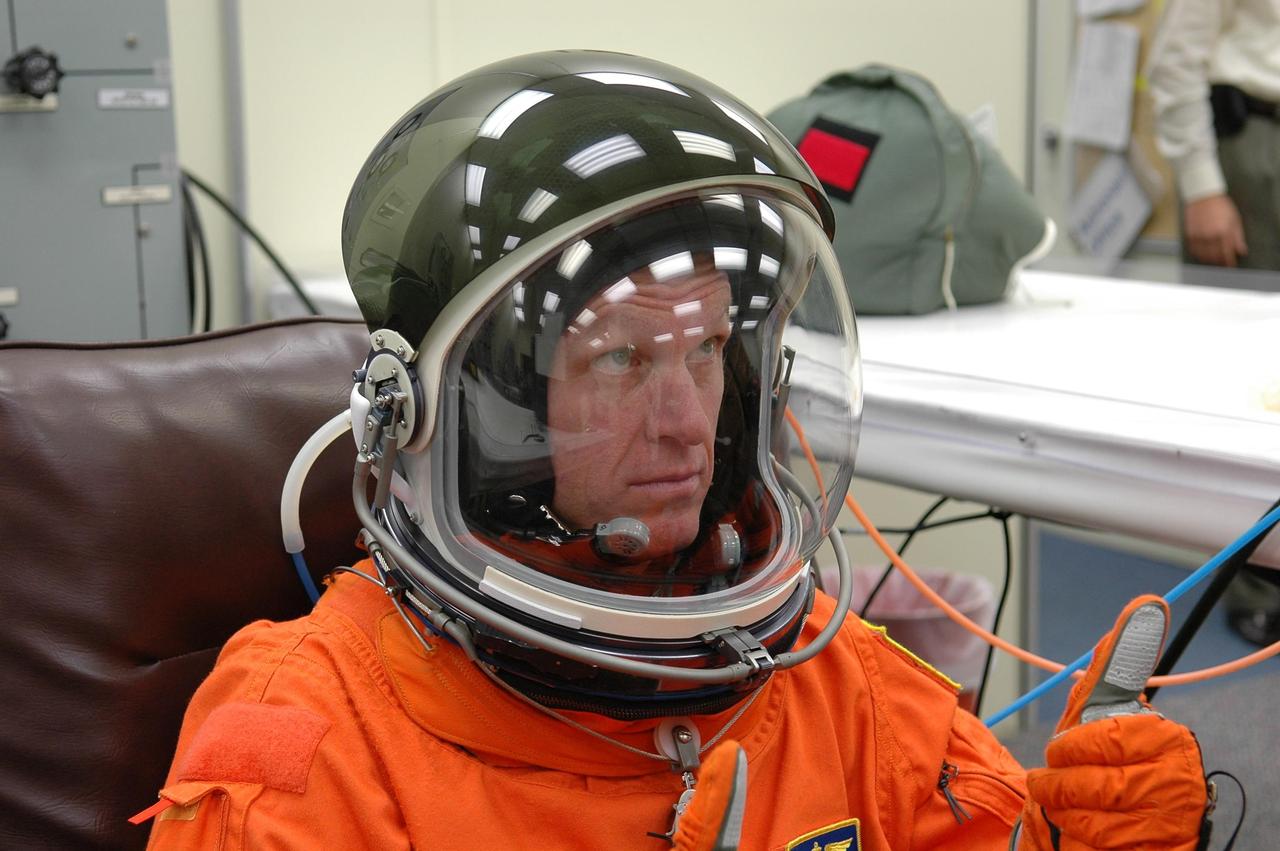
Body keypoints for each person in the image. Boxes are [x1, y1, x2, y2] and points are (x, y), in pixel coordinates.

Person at [137, 51, 1214, 850]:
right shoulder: (306, 748)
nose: (686, 421)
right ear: (475, 408)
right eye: (617, 358)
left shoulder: (830, 680)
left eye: (705, 353)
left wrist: (1086, 836)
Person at [1148, 0, 1280, 647]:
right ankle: (1254, 584)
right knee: (1247, 377)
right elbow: (1174, 61)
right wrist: (1201, 185)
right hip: (1252, 149)